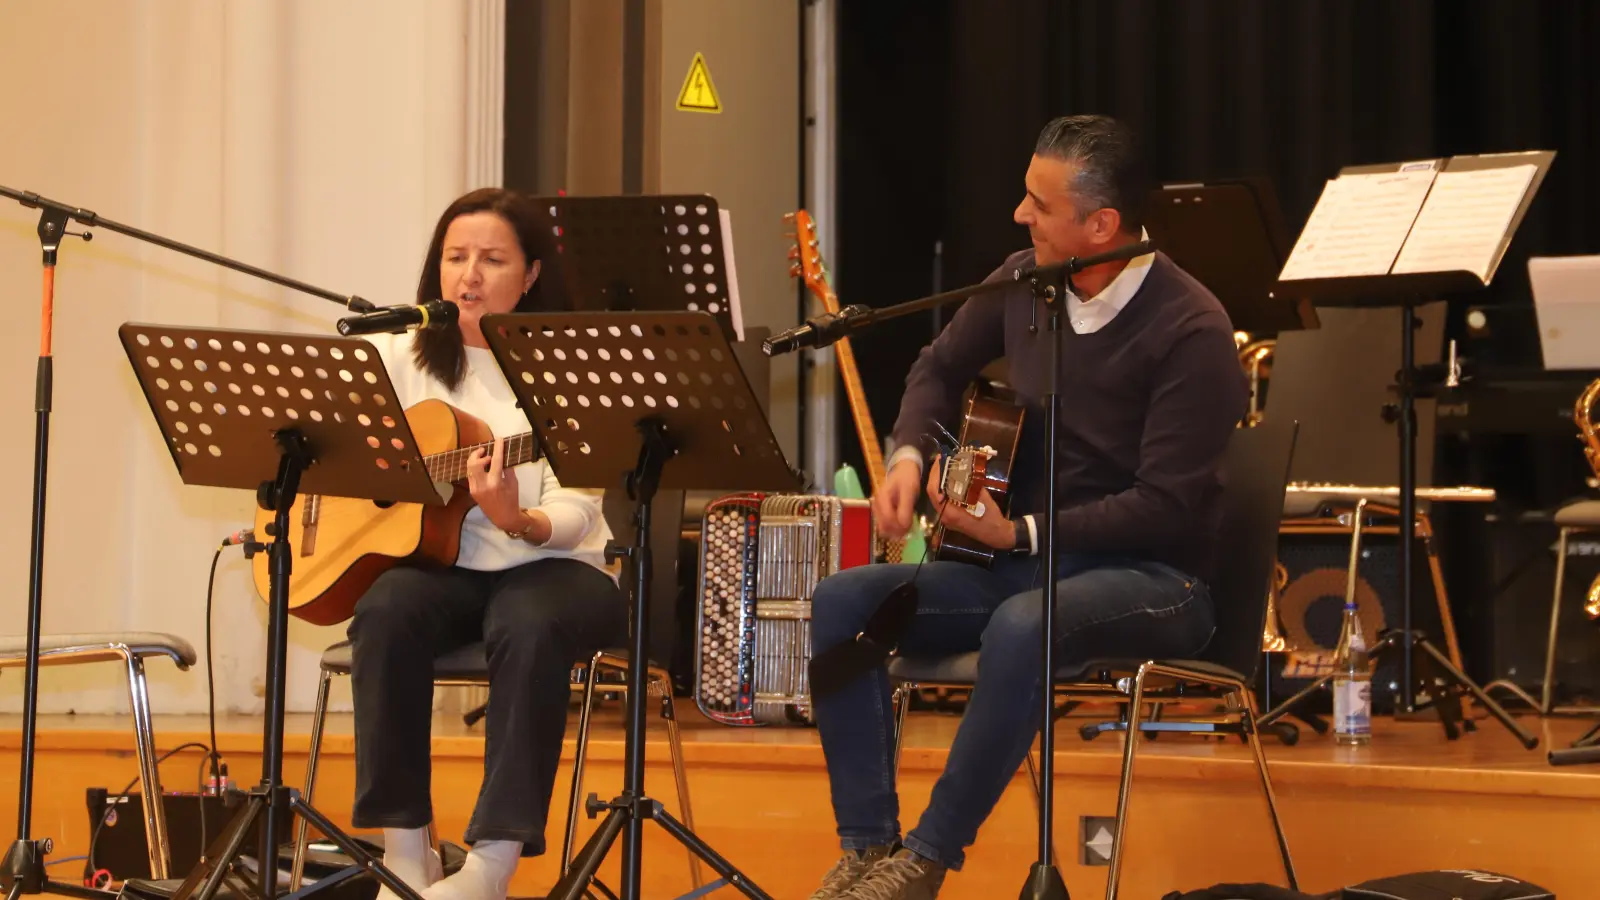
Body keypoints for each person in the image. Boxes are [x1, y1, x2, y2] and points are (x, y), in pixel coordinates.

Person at [806, 115, 1247, 899]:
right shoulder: (1022, 282)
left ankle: (927, 861)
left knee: (1023, 625)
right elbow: (937, 368)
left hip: (1155, 580)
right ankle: (869, 849)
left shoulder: (1192, 328)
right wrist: (908, 457)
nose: (1020, 216)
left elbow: (1165, 507)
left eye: (1038, 204)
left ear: (1100, 225)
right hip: (1022, 565)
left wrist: (1021, 530)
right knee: (844, 601)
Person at [348, 187, 627, 900]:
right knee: (386, 609)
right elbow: (342, 450)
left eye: (492, 260)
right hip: (446, 566)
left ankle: (489, 869)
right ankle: (406, 856)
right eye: (455, 257)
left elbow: (576, 507)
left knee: (526, 621)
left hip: (558, 566)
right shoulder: (395, 354)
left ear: (531, 275)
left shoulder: (567, 368)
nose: (468, 276)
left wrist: (516, 518)